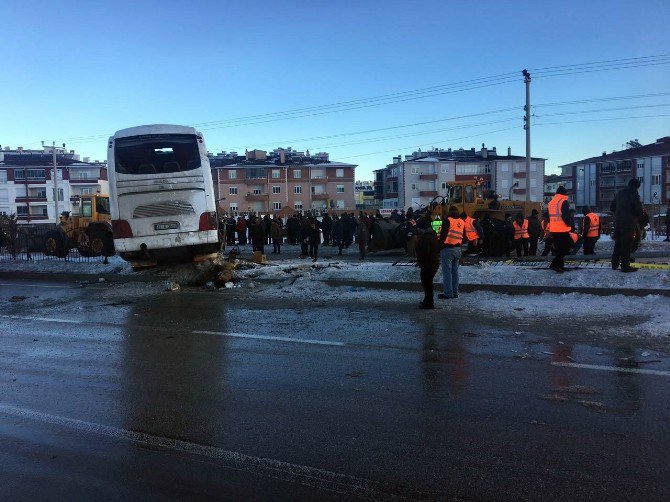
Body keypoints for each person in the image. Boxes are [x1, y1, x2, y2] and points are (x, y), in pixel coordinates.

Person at [610, 178, 644, 272]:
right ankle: (625, 266)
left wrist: (619, 214)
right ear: (637, 186)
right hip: (628, 224)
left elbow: (612, 207)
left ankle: (614, 263)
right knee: (627, 245)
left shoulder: (620, 193)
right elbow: (639, 210)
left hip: (618, 223)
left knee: (618, 243)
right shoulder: (634, 195)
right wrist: (635, 217)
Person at [438, 206, 465, 299]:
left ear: (449, 212)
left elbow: (443, 236)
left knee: (447, 272)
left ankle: (448, 293)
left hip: (447, 249)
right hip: (458, 249)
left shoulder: (447, 220)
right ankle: (455, 292)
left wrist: (438, 248)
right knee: (455, 271)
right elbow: (464, 237)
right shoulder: (462, 221)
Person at [415, 217, 440, 309]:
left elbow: (424, 253)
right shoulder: (432, 235)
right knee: (428, 283)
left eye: (418, 228)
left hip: (428, 264)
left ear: (422, 228)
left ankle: (429, 302)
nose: (417, 230)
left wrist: (422, 263)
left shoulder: (425, 238)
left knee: (427, 284)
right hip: (432, 263)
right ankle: (427, 300)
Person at [547, 186, 573, 273]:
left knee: (559, 249)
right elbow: (565, 215)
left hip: (554, 229)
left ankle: (560, 266)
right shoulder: (563, 201)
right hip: (562, 229)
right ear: (564, 193)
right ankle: (554, 264)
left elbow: (549, 216)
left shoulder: (551, 202)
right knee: (565, 248)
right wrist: (570, 224)